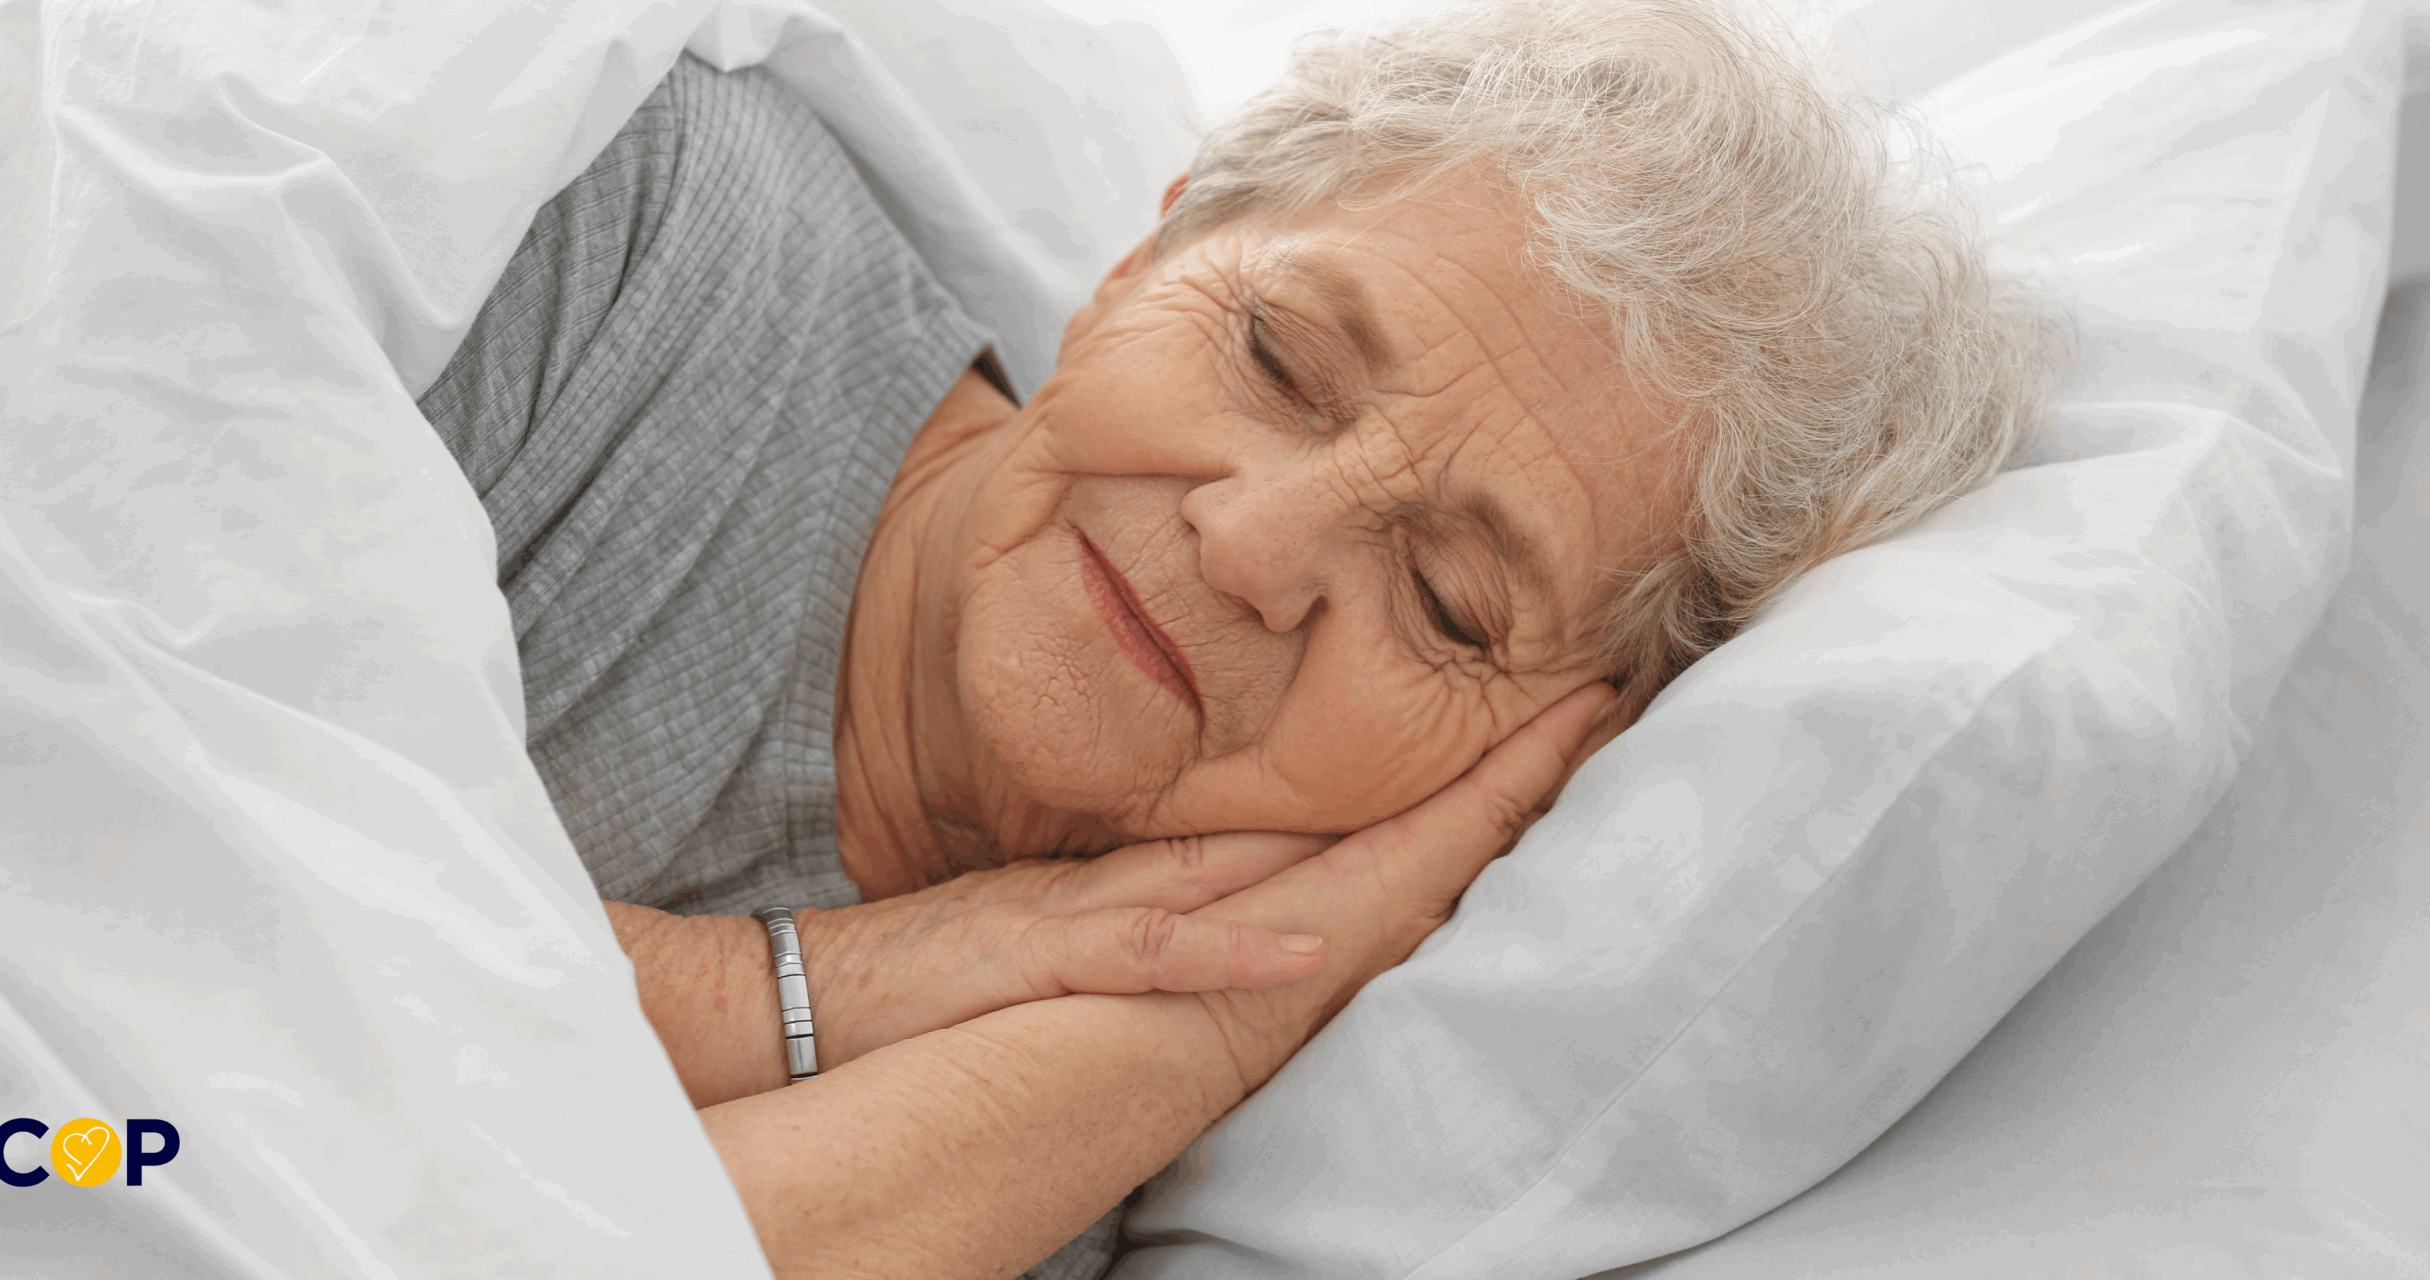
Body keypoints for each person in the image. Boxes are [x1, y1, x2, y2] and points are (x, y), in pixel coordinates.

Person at [412, 0, 2059, 1275]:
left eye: (1450, 605)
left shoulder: (1059, 1145)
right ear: (1153, 255)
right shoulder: (613, 241)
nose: (1254, 543)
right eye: (1275, 359)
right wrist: (816, 987)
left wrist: (1223, 1010)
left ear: (1552, 761)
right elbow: (165, 1050)